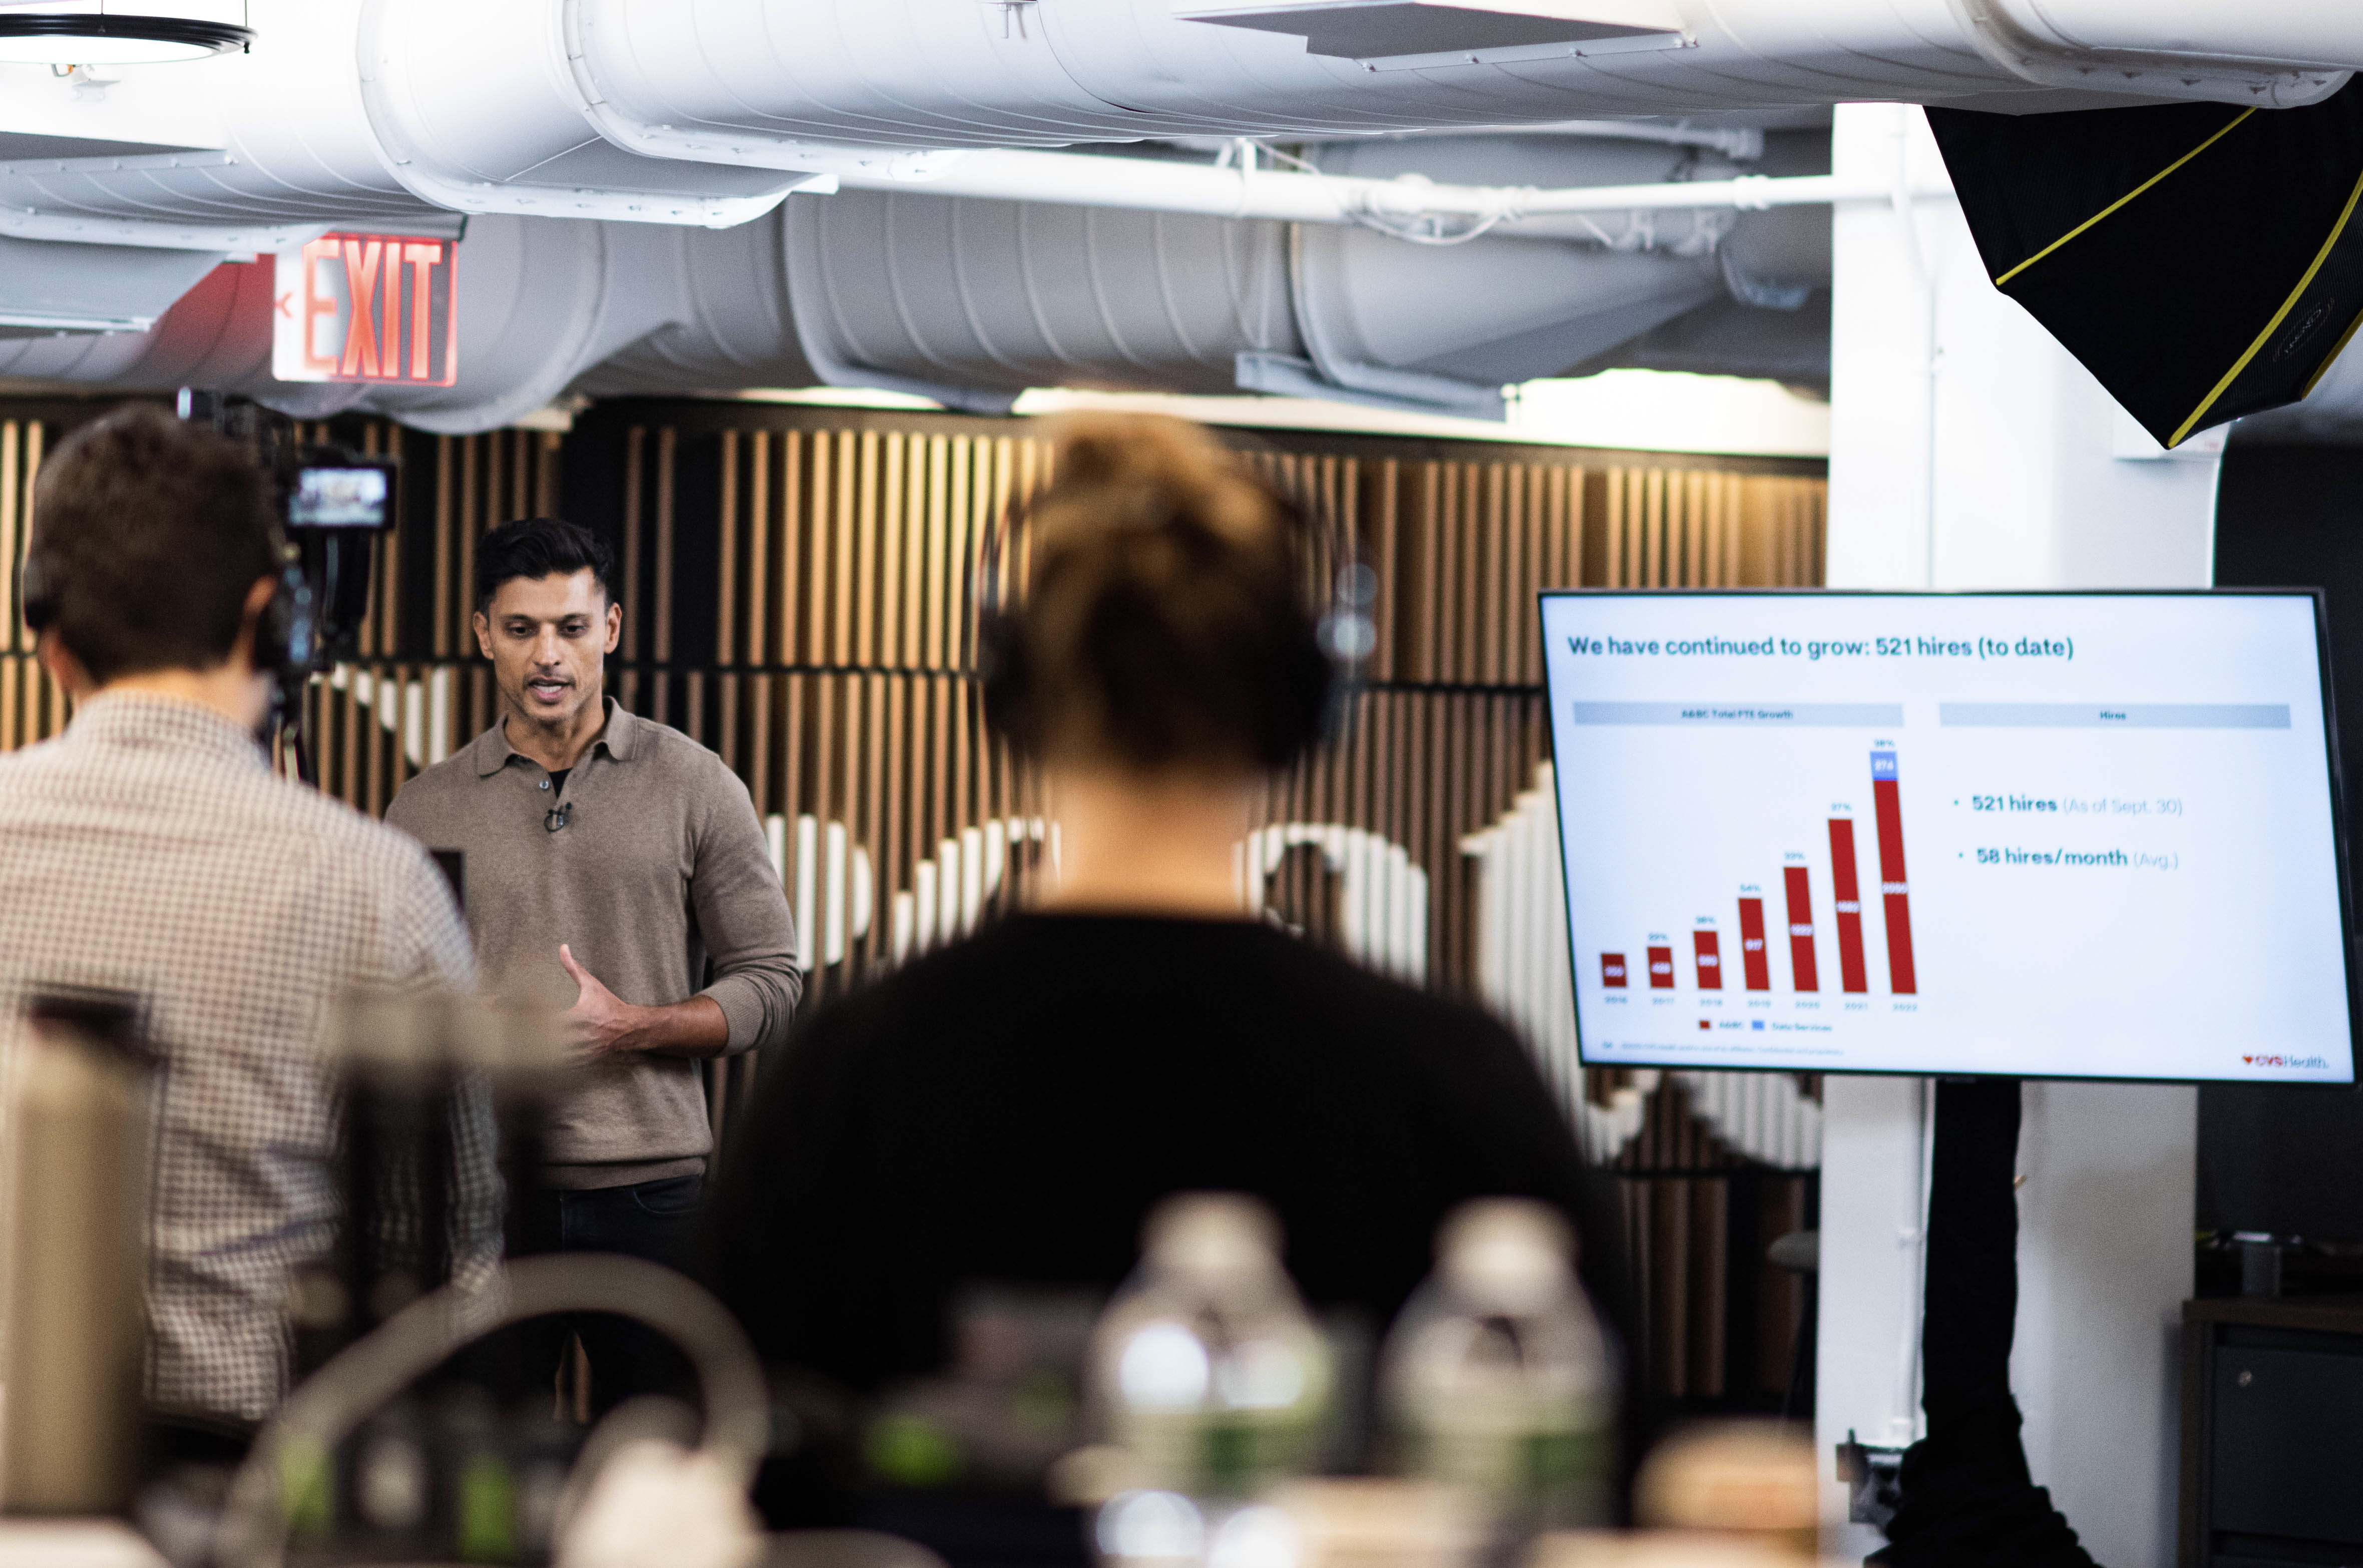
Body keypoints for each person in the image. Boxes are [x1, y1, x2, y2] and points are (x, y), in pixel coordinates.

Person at [697, 414, 1636, 1476]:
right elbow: (1606, 1472)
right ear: (1310, 702)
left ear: (1008, 693)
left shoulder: (856, 1070)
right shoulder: (1459, 1083)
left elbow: (720, 1463)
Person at [0, 405, 499, 1429]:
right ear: (275, 617)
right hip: (252, 1491)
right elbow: (453, 1253)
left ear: (46, 632)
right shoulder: (379, 887)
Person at [384, 517, 800, 1412]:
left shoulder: (696, 784)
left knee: (659, 1460)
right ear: (483, 634)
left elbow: (772, 984)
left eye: (571, 628)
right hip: (482, 1197)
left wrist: (633, 1026)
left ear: (609, 629)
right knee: (480, 1470)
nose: (548, 655)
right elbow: (394, 1014)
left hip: (654, 1196)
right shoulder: (424, 808)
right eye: (523, 628)